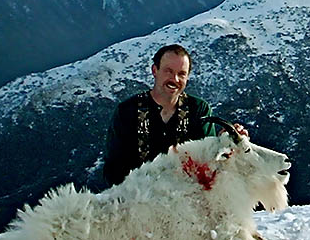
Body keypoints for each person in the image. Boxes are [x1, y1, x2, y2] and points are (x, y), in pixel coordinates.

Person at [102, 44, 242, 186]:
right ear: (155, 70)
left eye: (181, 74)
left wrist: (225, 141)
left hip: (186, 199)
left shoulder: (199, 110)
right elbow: (113, 169)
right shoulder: (127, 111)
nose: (174, 79)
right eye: (168, 71)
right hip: (139, 199)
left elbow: (210, 161)